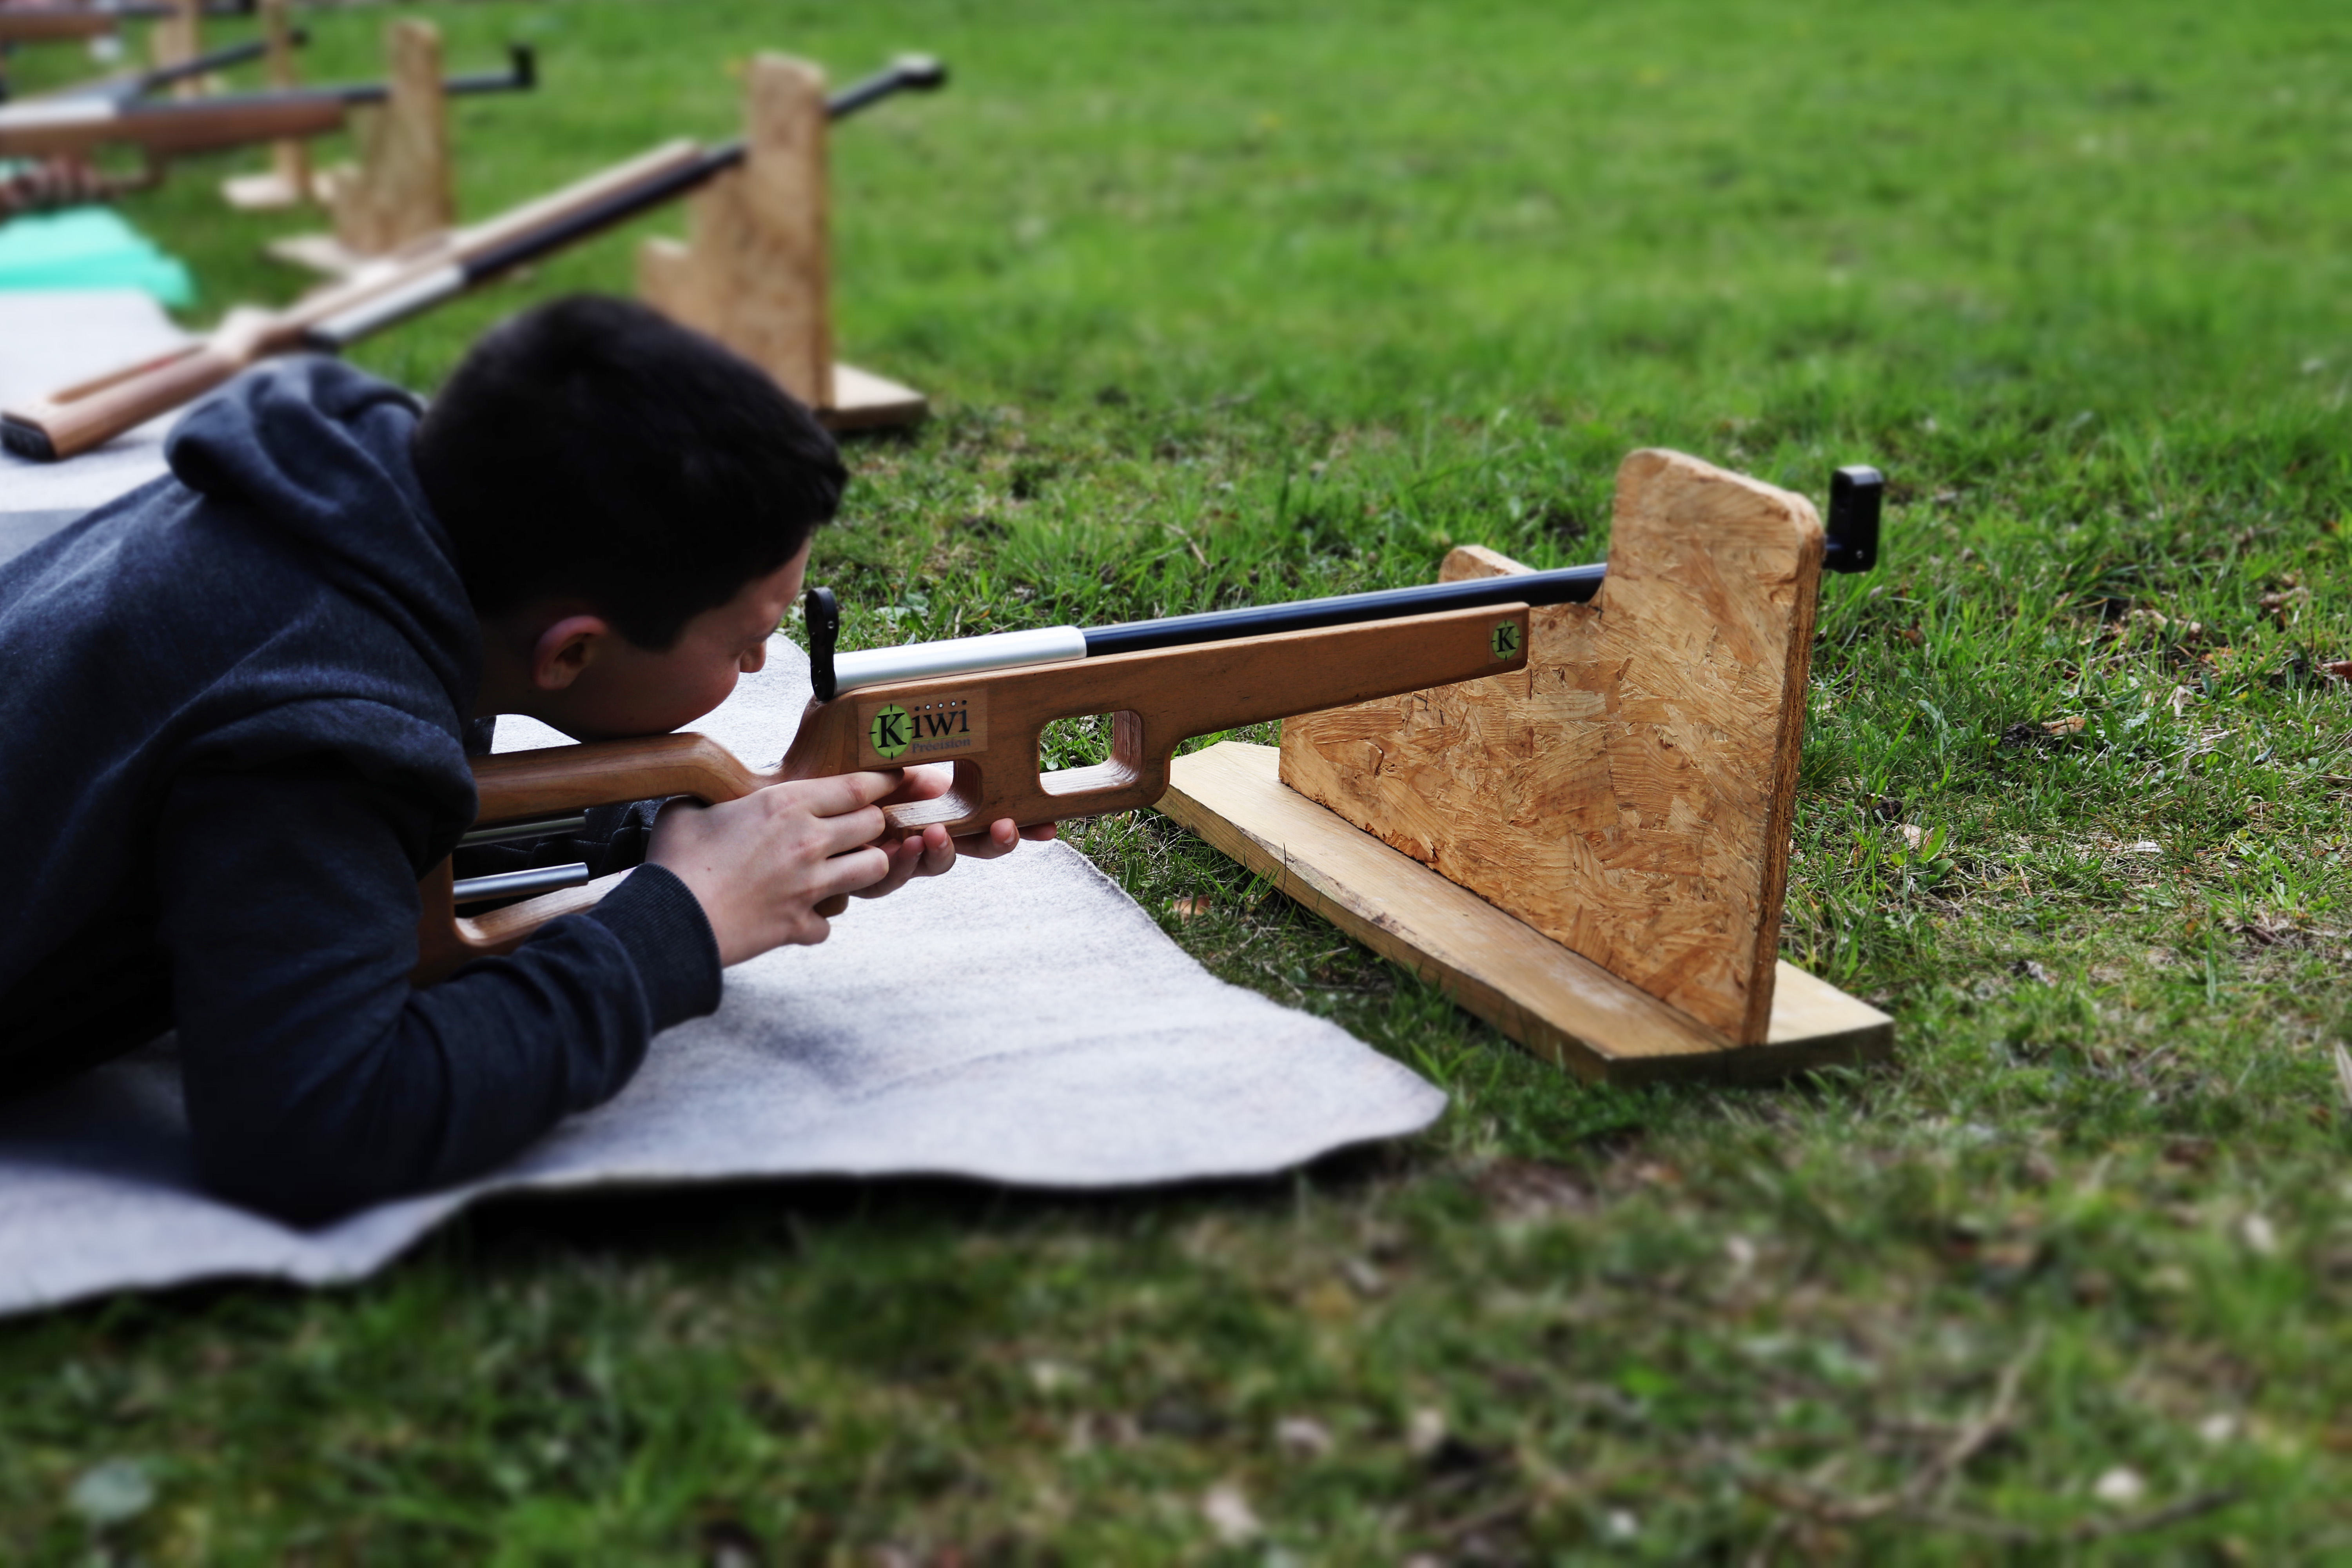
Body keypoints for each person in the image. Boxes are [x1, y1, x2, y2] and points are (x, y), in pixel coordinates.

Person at [0, 294, 1047, 1222]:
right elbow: (316, 1127)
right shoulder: (324, 729)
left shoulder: (340, 493)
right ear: (573, 652)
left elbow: (331, 866)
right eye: (743, 646)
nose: (764, 660)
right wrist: (682, 923)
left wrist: (715, 840)